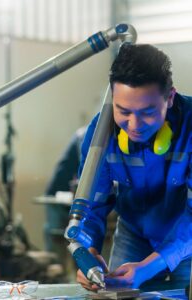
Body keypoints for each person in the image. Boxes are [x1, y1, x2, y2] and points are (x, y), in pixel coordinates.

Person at [76, 44, 192, 291]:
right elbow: (90, 205)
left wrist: (151, 265)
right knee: (119, 294)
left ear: (170, 98)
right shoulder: (101, 134)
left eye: (148, 112)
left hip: (186, 237)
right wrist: (87, 253)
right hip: (133, 233)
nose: (134, 124)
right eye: (123, 111)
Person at [44, 127, 86, 271]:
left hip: (71, 197)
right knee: (63, 240)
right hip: (58, 197)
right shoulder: (85, 136)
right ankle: (57, 272)